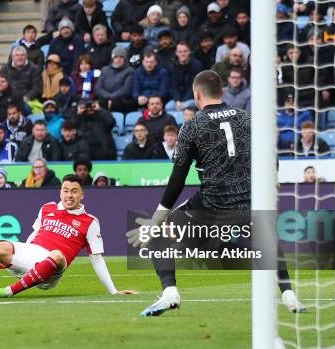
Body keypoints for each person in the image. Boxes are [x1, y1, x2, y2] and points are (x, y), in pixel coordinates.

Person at [127, 70, 305, 316]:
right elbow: (270, 158)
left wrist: (157, 218)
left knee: (158, 235)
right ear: (222, 92)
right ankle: (289, 296)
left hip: (212, 205)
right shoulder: (247, 118)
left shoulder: (192, 126)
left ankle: (170, 293)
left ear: (196, 94)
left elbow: (177, 180)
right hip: (248, 202)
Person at [0, 174, 135, 298]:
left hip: (51, 271)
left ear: (82, 195)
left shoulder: (90, 221)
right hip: (32, 255)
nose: (69, 195)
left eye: (74, 192)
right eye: (66, 190)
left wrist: (114, 290)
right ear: (60, 191)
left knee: (58, 254)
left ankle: (7, 292)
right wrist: (21, 252)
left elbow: (96, 258)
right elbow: (34, 233)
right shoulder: (47, 208)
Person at [95, 46, 134, 113]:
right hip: (105, 100)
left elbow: (126, 90)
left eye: (121, 57)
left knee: (115, 103)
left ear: (125, 59)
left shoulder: (130, 71)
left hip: (121, 101)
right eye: (116, 57)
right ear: (112, 59)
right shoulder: (105, 69)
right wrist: (108, 97)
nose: (118, 59)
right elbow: (97, 88)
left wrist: (112, 97)